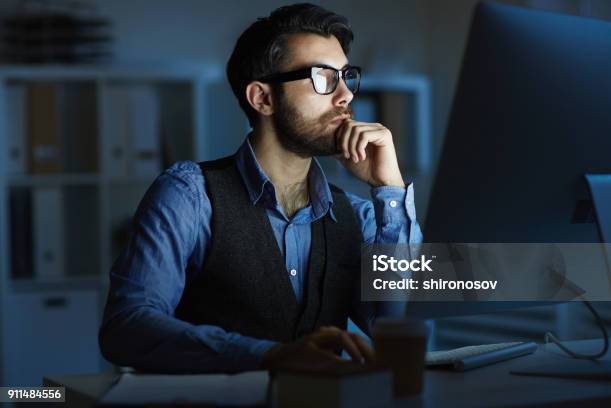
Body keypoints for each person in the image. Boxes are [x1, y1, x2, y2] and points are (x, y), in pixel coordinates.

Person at [99, 3, 422, 374]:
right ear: (262, 98)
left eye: (346, 76)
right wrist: (267, 356)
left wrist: (390, 190)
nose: (346, 95)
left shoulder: (360, 215)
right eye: (323, 77)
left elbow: (403, 328)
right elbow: (126, 327)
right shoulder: (189, 196)